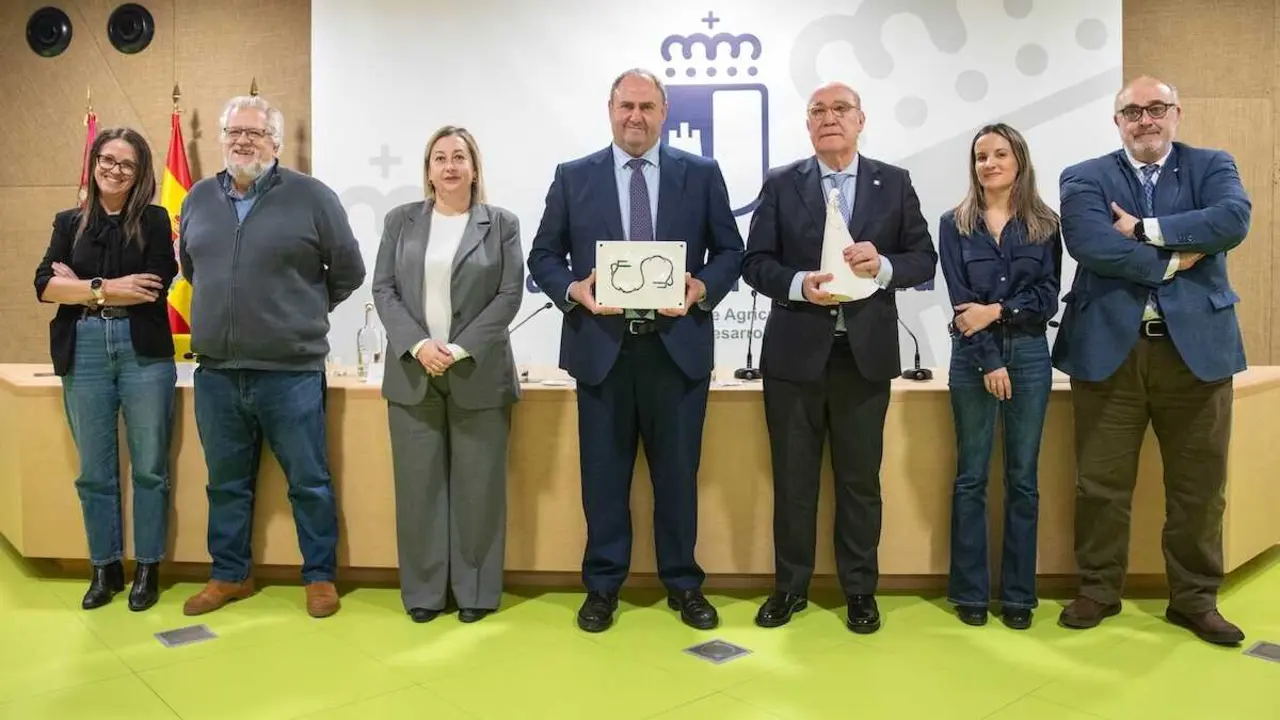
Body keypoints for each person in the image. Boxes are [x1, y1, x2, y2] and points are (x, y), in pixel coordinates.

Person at [527, 68, 744, 633]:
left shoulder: (700, 174)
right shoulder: (573, 177)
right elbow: (543, 256)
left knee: (677, 478)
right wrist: (574, 290)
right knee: (603, 480)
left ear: (664, 111)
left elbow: (730, 251)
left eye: (647, 106)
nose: (636, 117)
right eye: (627, 105)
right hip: (602, 353)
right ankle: (602, 588)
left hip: (677, 352)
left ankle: (683, 585)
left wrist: (701, 288)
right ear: (610, 109)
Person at [1053, 76, 1250, 646]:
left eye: (1156, 108)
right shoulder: (1085, 175)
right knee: (1100, 484)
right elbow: (1090, 242)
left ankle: (1194, 600)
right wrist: (1171, 260)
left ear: (1176, 114)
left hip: (1198, 356)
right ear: (1117, 122)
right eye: (1132, 111)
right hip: (1109, 352)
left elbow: (1231, 221)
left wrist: (1143, 229)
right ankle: (1098, 589)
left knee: (1199, 486)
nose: (1145, 119)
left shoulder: (1213, 165)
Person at [741, 82, 936, 634]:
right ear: (808, 125)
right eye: (818, 111)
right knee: (794, 479)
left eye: (841, 109)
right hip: (794, 356)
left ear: (860, 120)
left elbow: (924, 259)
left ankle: (859, 590)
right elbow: (755, 263)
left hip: (865, 357)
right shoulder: (782, 184)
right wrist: (801, 284)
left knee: (858, 481)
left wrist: (886, 265)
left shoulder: (893, 183)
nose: (830, 118)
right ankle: (790, 588)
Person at [178, 95, 366, 619]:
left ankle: (319, 577)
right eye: (234, 131)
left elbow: (348, 271)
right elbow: (192, 269)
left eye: (255, 133)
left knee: (308, 480)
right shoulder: (196, 199)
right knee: (226, 483)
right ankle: (229, 575)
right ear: (222, 138)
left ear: (275, 143)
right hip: (216, 371)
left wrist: (299, 311)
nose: (243, 141)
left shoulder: (312, 197)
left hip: (291, 373)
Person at [372, 126, 523, 624]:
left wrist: (457, 349)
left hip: (478, 372)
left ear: (475, 168)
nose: (450, 165)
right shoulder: (401, 222)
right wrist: (418, 345)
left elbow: (508, 295)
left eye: (460, 157)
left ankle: (476, 592)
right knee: (419, 490)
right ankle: (424, 593)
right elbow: (385, 289)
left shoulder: (500, 224)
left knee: (478, 491)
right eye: (440, 157)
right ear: (428, 169)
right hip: (414, 374)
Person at [33, 128, 178, 612]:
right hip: (85, 348)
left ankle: (148, 567)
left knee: (150, 468)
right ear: (94, 162)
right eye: (107, 159)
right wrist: (107, 287)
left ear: (140, 174)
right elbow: (43, 284)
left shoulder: (155, 221)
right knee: (94, 472)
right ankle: (105, 567)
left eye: (127, 164)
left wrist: (82, 287)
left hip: (143, 352)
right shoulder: (68, 221)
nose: (114, 170)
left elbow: (152, 286)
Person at [938, 123, 1061, 630]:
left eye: (999, 154)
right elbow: (961, 304)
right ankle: (969, 592)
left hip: (1031, 355)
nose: (988, 163)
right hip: (973, 358)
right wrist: (990, 359)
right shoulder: (954, 223)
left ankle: (1018, 596)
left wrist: (998, 312)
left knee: (1022, 480)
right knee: (970, 478)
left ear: (1019, 160)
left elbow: (1048, 298)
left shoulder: (1045, 223)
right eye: (980, 156)